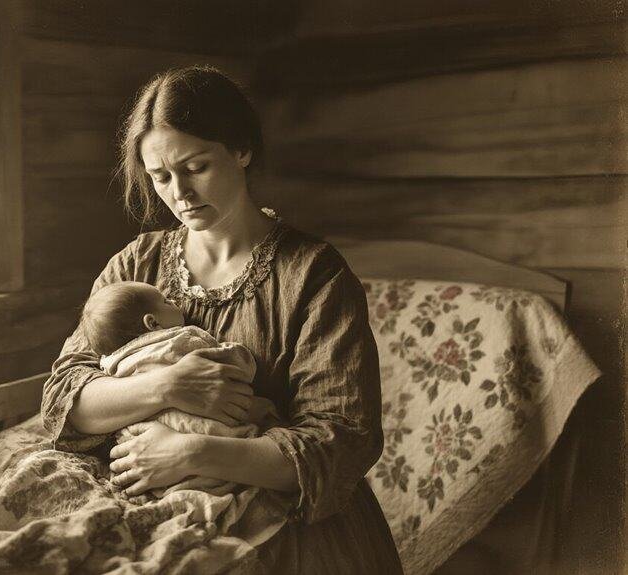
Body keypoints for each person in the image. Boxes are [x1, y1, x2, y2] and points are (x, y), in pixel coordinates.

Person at [40, 65, 403, 572]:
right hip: (154, 506)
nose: (179, 193)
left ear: (241, 150)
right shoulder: (135, 264)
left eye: (196, 166)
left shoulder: (314, 274)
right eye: (160, 176)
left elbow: (340, 442)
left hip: (286, 528)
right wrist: (168, 387)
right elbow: (64, 399)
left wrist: (191, 452)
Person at [80, 280, 279, 500]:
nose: (174, 301)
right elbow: (237, 367)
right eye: (166, 301)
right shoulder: (179, 340)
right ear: (153, 323)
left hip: (141, 452)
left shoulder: (113, 364)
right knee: (258, 419)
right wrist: (240, 355)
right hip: (193, 430)